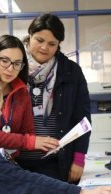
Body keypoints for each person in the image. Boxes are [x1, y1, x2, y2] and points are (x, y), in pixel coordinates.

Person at [16, 13, 91, 184]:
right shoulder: (14, 68)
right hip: (15, 158)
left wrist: (79, 159)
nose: (44, 48)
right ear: (30, 37)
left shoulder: (71, 72)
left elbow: (83, 119)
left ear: (59, 45)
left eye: (52, 44)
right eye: (39, 40)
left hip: (53, 161)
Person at [0, 34, 59, 157]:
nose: (10, 69)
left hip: (7, 162)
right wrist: (28, 141)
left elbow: (28, 133)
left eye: (17, 63)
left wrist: (46, 144)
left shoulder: (21, 91)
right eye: (5, 61)